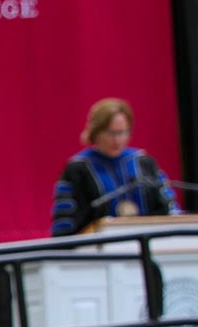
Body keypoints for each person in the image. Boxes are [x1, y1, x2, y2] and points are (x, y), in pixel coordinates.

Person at [51, 97, 182, 236]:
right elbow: (66, 226)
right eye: (110, 133)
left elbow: (169, 210)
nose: (117, 140)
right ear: (96, 132)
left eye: (122, 132)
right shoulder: (78, 169)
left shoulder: (143, 163)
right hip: (99, 251)